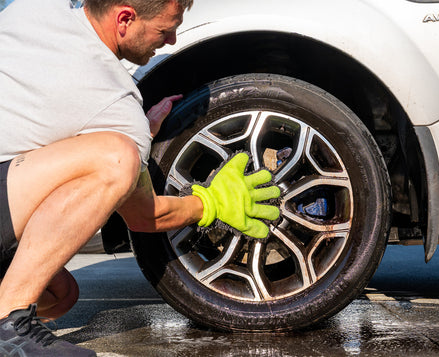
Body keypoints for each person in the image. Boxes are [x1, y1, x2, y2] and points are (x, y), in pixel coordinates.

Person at [0, 0, 280, 356]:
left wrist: (141, 132)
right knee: (117, 157)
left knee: (60, 294)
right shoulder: (117, 102)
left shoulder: (33, 8)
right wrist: (209, 202)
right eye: (165, 29)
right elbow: (147, 216)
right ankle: (8, 326)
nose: (172, 40)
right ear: (125, 19)